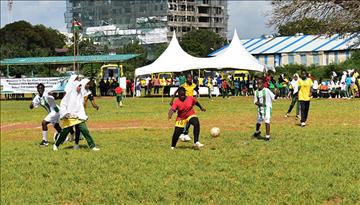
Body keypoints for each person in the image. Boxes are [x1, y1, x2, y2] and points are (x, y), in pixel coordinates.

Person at [54, 80, 100, 151]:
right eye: (79, 86)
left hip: (78, 117)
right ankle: (56, 145)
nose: (80, 87)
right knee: (64, 133)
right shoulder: (68, 95)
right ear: (75, 87)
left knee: (84, 130)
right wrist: (65, 113)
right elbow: (63, 104)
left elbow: (85, 92)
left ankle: (92, 146)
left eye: (81, 86)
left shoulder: (81, 94)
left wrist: (82, 115)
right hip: (69, 117)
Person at [170, 73, 199, 142]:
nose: (190, 79)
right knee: (185, 118)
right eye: (189, 78)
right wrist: (172, 100)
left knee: (190, 119)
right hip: (183, 104)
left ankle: (184, 133)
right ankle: (183, 133)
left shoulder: (194, 85)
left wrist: (196, 97)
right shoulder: (183, 86)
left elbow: (197, 90)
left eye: (191, 78)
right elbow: (175, 92)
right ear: (186, 79)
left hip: (190, 104)